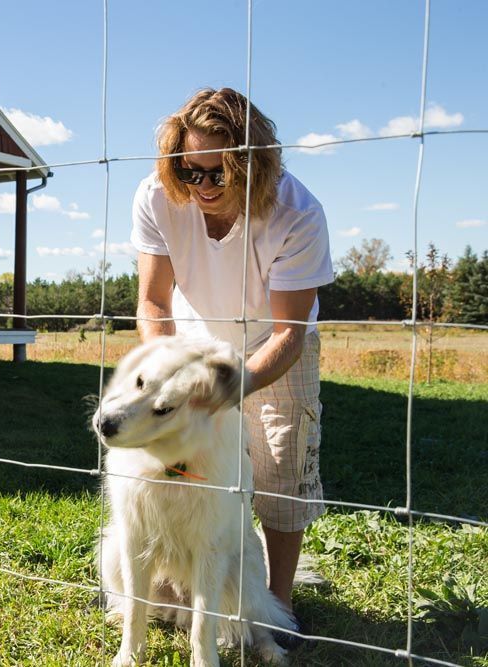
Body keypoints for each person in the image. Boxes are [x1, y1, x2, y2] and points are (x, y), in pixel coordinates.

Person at [130, 87, 333, 639]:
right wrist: (168, 366)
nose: (201, 187)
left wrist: (233, 385)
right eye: (190, 172)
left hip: (277, 343)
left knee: (279, 467)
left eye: (217, 173)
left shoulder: (298, 212)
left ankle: (276, 607)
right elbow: (153, 301)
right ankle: (183, 588)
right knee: (183, 466)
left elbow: (289, 329)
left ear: (253, 165)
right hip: (194, 341)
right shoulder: (156, 196)